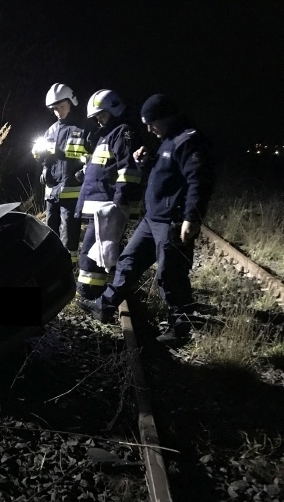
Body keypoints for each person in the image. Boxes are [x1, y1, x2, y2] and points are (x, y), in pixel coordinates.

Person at [77, 93, 215, 346]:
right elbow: (163, 175)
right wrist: (144, 163)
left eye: (152, 123)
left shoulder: (188, 141)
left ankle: (180, 326)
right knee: (128, 262)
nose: (149, 129)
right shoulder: (166, 140)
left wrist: (191, 218)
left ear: (167, 117)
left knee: (170, 274)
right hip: (152, 220)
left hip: (171, 221)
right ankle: (104, 306)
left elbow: (198, 181)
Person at [74, 89, 143, 299]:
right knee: (99, 250)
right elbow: (105, 166)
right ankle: (98, 291)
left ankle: (89, 293)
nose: (100, 120)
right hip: (100, 203)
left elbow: (127, 169)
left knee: (92, 251)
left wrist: (120, 200)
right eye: (97, 117)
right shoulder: (107, 135)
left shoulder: (122, 133)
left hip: (108, 205)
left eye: (102, 115)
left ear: (114, 110)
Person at [32, 83, 88, 267]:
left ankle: (68, 270)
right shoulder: (50, 131)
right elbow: (46, 159)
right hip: (51, 194)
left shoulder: (82, 129)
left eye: (62, 107)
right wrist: (43, 168)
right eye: (55, 109)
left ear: (71, 103)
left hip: (71, 193)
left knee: (69, 237)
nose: (58, 112)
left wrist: (80, 175)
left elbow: (94, 158)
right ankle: (50, 267)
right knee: (50, 233)